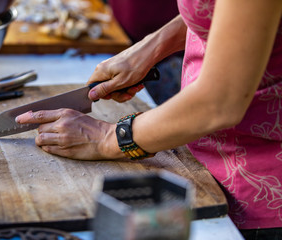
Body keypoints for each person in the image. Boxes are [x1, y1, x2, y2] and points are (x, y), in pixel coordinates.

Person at [15, 0, 282, 239]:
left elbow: (220, 103)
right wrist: (152, 47)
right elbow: (221, 12)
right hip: (202, 156)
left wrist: (109, 138)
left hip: (259, 193)